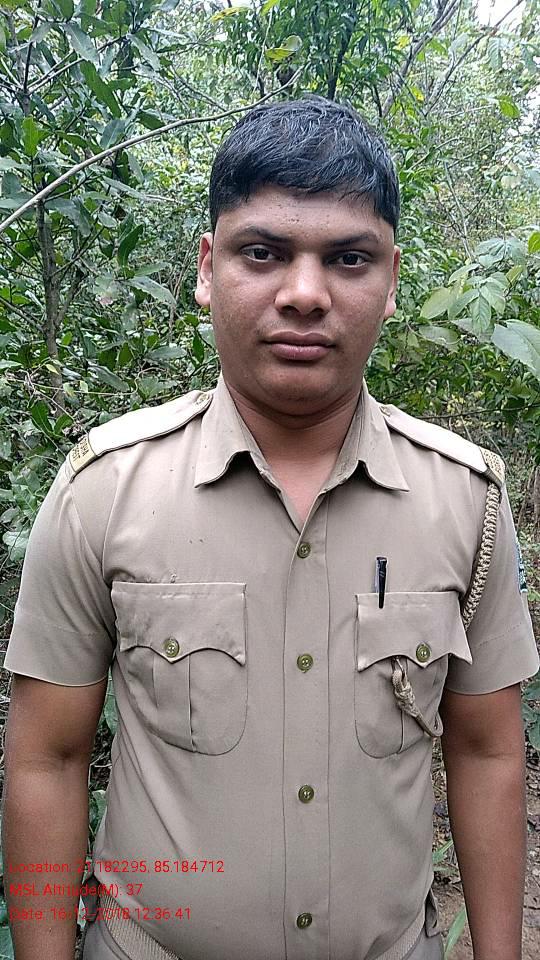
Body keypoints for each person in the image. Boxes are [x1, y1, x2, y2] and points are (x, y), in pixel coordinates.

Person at [2, 96, 538, 960]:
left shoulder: (464, 499)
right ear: (207, 267)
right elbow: (46, 761)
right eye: (264, 252)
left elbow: (485, 753)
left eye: (349, 258)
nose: (304, 294)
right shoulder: (104, 489)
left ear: (391, 281)